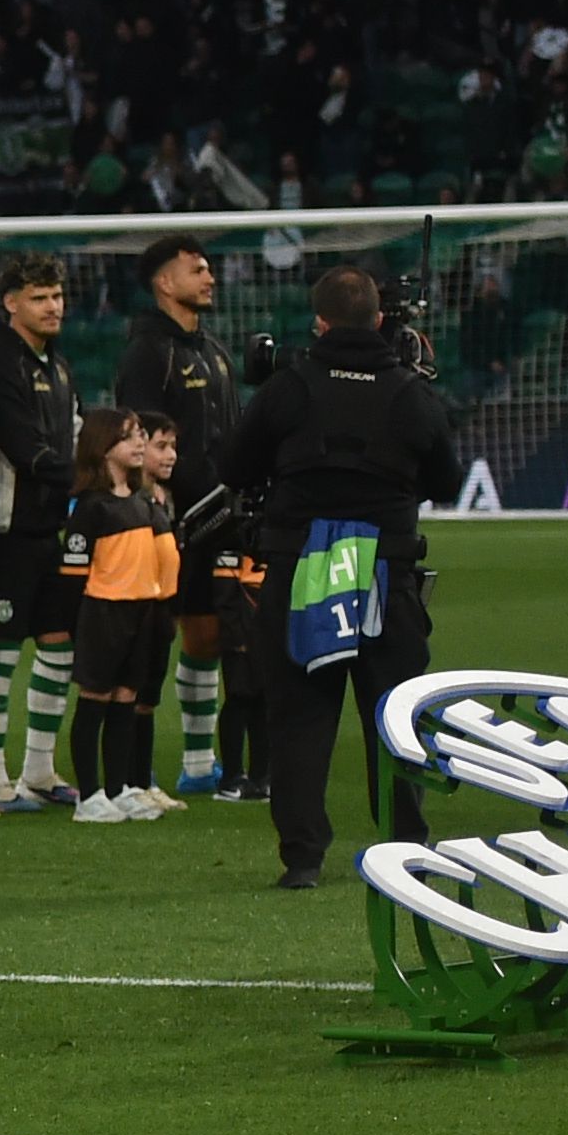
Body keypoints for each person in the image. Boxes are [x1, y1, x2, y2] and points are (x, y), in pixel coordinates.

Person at [225, 263, 457, 890]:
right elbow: (448, 481)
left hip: (304, 566)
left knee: (300, 715)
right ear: (380, 320)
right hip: (385, 568)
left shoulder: (288, 387)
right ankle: (407, 847)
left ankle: (303, 857)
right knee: (393, 712)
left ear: (320, 322)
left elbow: (236, 464)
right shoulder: (411, 391)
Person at [111, 234, 250, 796]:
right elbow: (135, 431)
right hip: (170, 516)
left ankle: (197, 762)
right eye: (197, 269)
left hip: (220, 513)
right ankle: (133, 758)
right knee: (151, 635)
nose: (210, 277)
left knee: (208, 634)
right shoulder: (149, 351)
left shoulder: (212, 349)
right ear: (165, 283)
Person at [0, 253, 82, 808]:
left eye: (57, 296)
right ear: (11, 303)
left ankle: (39, 769)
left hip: (48, 528)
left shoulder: (56, 364)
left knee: (58, 644)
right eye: (40, 298)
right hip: (6, 527)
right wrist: (85, 475)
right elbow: (19, 445)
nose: (53, 306)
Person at [58, 409, 184, 822]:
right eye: (130, 437)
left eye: (140, 435)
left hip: (140, 613)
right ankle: (89, 795)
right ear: (103, 447)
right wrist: (80, 625)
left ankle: (119, 787)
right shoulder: (91, 507)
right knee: (95, 699)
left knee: (126, 700)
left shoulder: (140, 502)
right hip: (104, 613)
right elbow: (74, 575)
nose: (139, 444)